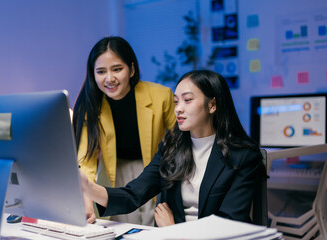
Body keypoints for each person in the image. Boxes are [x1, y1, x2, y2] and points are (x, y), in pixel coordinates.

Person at [79, 69, 265, 227]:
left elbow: (229, 223)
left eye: (187, 100)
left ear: (212, 105)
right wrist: (87, 187)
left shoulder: (243, 156)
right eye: (176, 102)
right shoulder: (170, 149)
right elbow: (133, 195)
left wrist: (173, 230)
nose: (178, 109)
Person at [72, 36, 176, 226]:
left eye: (117, 69)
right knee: (118, 227)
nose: (109, 78)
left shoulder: (162, 96)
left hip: (154, 170)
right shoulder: (91, 107)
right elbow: (85, 162)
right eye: (101, 71)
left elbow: (182, 140)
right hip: (114, 171)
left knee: (152, 226)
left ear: (132, 69)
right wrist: (86, 203)